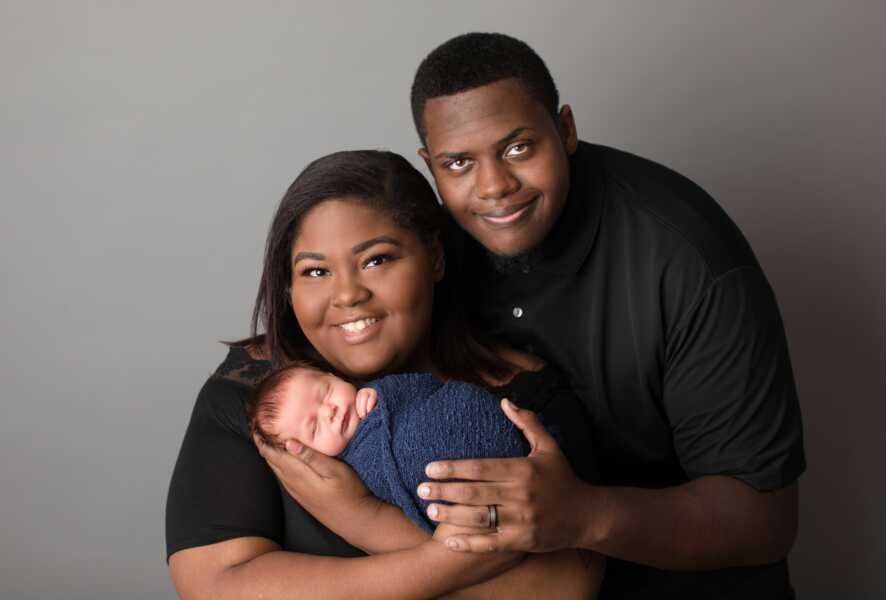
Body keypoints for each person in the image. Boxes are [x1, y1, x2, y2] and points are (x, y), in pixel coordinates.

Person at [408, 33, 806, 598]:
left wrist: (583, 514)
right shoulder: (429, 245)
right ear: (431, 166)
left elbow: (765, 522)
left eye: (519, 147)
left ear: (565, 129)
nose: (494, 186)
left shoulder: (687, 256)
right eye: (459, 163)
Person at [166, 150, 604, 598]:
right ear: (288, 286)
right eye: (315, 271)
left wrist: (362, 519)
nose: (348, 295)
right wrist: (467, 559)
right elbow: (214, 585)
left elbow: (565, 586)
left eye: (376, 260)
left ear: (434, 256)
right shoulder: (258, 394)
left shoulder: (523, 397)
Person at [248, 364, 529, 532]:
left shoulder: (376, 395)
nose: (330, 411)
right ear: (307, 454)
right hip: (463, 499)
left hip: (468, 417)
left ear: (333, 375)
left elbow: (423, 387)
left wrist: (382, 393)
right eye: (314, 427)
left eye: (326, 392)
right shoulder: (346, 473)